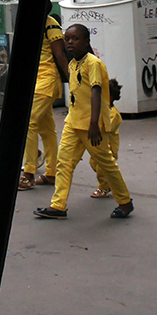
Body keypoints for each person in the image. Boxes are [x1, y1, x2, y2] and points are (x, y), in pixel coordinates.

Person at [34, 24, 133, 219]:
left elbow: (96, 91)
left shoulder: (93, 63)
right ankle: (58, 205)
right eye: (67, 39)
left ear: (87, 42)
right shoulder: (72, 64)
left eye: (75, 39)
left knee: (106, 164)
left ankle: (125, 202)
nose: (69, 42)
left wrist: (94, 124)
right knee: (64, 163)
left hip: (91, 125)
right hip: (74, 122)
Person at [18, 2, 70, 191]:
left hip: (46, 80)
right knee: (46, 128)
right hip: (33, 81)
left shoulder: (50, 25)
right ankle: (52, 173)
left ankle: (29, 173)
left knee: (28, 122)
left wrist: (74, 83)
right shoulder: (27, 25)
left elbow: (61, 55)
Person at [87, 78, 123, 198]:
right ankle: (109, 181)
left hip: (109, 147)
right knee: (94, 163)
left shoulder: (113, 114)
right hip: (101, 145)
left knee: (102, 167)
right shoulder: (105, 110)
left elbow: (106, 129)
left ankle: (104, 187)